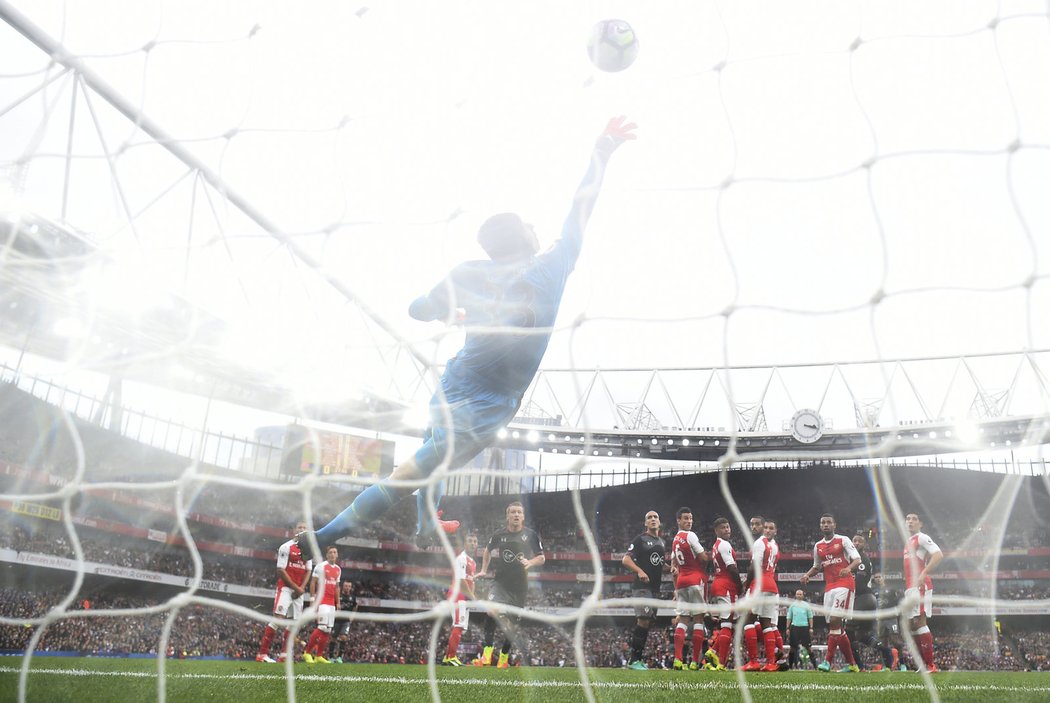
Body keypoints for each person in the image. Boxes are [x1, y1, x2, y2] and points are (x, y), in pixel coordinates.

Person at [306, 117, 637, 550]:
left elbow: (416, 309)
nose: (537, 228)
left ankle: (427, 524)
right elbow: (580, 209)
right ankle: (317, 539)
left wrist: (447, 310)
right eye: (529, 224)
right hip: (488, 402)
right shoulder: (550, 268)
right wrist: (602, 151)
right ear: (521, 234)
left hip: (454, 382)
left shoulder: (468, 272)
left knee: (431, 453)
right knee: (410, 474)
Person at [474, 501, 545, 668]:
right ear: (507, 516)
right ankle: (486, 655)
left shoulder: (531, 535)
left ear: (523, 516)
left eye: (519, 512)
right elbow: (487, 550)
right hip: (500, 582)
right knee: (492, 611)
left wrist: (530, 562)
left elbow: (541, 557)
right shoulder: (499, 534)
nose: (516, 515)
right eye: (513, 512)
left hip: (519, 587)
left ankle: (503, 659)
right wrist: (484, 569)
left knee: (513, 625)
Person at [800, 513, 862, 673]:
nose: (826, 525)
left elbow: (857, 559)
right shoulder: (818, 546)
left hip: (845, 584)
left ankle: (827, 661)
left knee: (835, 620)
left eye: (829, 522)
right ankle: (852, 665)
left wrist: (847, 568)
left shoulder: (843, 540)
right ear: (820, 526)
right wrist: (807, 575)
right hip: (829, 588)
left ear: (834, 525)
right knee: (836, 627)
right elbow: (817, 566)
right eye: (823, 523)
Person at [257, 521, 313, 663]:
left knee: (294, 624)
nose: (302, 530)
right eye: (300, 527)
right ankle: (262, 654)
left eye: (304, 528)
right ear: (295, 530)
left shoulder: (307, 551)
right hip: (286, 589)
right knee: (278, 620)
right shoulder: (286, 547)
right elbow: (281, 570)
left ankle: (283, 655)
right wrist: (296, 587)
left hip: (299, 591)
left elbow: (308, 570)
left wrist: (302, 589)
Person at [621, 509, 669, 670]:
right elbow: (626, 559)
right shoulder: (640, 539)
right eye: (649, 517)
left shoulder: (662, 542)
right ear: (646, 523)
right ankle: (634, 661)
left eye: (656, 516)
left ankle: (637, 660)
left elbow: (659, 563)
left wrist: (671, 568)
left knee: (647, 622)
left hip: (655, 589)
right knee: (643, 620)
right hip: (642, 587)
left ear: (659, 521)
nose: (653, 519)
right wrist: (640, 571)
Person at [669, 507, 712, 671]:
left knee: (683, 620)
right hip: (695, 579)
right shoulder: (690, 536)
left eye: (691, 518)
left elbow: (674, 565)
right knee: (699, 619)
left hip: (681, 582)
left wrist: (675, 590)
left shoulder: (675, 539)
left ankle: (678, 660)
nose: (689, 521)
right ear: (678, 520)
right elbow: (703, 558)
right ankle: (694, 661)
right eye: (685, 518)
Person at [904, 512, 944, 673]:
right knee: (913, 625)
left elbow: (938, 554)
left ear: (920, 524)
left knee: (920, 622)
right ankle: (922, 664)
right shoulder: (908, 541)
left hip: (920, 585)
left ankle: (930, 665)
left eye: (914, 519)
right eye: (908, 519)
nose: (910, 521)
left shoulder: (921, 537)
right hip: (910, 587)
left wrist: (923, 573)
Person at [742, 518, 782, 672]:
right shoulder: (776, 546)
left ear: (775, 531)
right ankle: (771, 663)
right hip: (772, 586)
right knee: (766, 623)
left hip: (759, 584)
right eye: (766, 527)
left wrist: (747, 583)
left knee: (748, 620)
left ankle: (754, 661)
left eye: (771, 528)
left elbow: (754, 566)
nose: (767, 530)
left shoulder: (760, 542)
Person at [708, 517, 741, 670]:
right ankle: (721, 663)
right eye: (723, 527)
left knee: (729, 623)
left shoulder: (716, 546)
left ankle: (713, 650)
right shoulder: (724, 545)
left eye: (728, 527)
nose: (727, 530)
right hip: (727, 586)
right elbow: (731, 567)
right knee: (727, 623)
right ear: (716, 531)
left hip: (718, 585)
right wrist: (740, 585)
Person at [443, 531, 478, 666]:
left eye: (475, 541)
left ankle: (448, 657)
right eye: (470, 541)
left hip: (465, 597)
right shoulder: (461, 558)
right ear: (465, 543)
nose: (473, 543)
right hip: (458, 594)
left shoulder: (473, 562)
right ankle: (451, 657)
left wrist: (471, 597)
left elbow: (471, 581)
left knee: (461, 626)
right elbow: (461, 580)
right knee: (458, 625)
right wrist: (472, 596)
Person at [303, 545, 341, 664]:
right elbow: (313, 582)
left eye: (335, 552)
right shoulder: (321, 566)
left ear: (337, 555)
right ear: (327, 554)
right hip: (322, 600)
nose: (332, 554)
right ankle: (307, 653)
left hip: (331, 603)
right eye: (330, 552)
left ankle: (319, 656)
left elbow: (337, 587)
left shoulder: (338, 569)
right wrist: (312, 598)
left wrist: (338, 602)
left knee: (328, 630)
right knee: (322, 627)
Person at [847, 532, 878, 670]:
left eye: (860, 541)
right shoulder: (853, 559)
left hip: (863, 598)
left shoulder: (862, 560)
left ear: (864, 544)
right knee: (860, 635)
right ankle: (887, 651)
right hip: (868, 600)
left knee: (848, 630)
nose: (856, 543)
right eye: (854, 540)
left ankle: (856, 666)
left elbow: (859, 583)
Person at [329, 580, 359, 663]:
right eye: (346, 586)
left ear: (351, 587)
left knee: (344, 637)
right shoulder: (338, 596)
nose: (347, 588)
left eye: (349, 586)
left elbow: (355, 606)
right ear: (343, 586)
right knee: (333, 638)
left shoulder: (352, 597)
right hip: (336, 620)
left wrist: (353, 615)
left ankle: (339, 657)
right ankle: (331, 657)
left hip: (346, 620)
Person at [785, 589, 814, 669]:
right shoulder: (792, 606)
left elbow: (810, 617)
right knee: (792, 648)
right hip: (795, 628)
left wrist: (811, 627)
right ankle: (790, 667)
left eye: (800, 594)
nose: (799, 595)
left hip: (804, 627)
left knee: (809, 648)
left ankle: (815, 667)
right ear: (795, 595)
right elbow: (789, 617)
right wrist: (787, 628)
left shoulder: (806, 605)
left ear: (803, 595)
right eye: (797, 594)